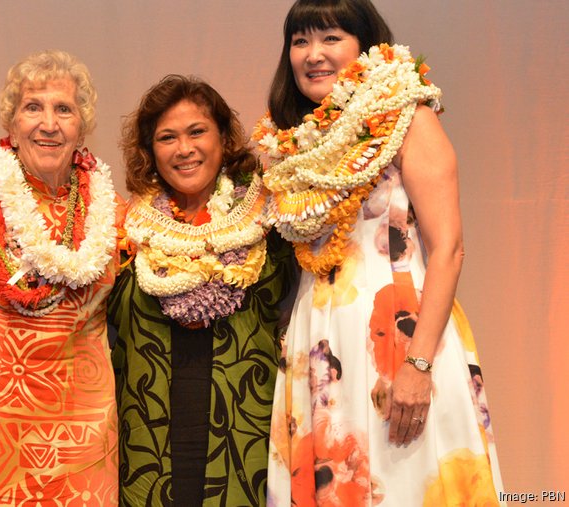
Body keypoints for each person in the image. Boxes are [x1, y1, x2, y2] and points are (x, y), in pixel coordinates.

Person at [252, 0, 503, 504]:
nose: (313, 54)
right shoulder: (290, 145)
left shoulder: (408, 119)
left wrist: (419, 365)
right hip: (318, 344)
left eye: (331, 38)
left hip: (399, 336)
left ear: (365, 47)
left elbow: (448, 248)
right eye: (300, 41)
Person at [108, 74, 296, 506]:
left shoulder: (271, 222)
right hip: (146, 451)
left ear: (224, 138)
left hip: (247, 446)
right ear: (150, 152)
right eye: (166, 137)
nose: (184, 148)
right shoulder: (124, 229)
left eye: (197, 131)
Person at [0, 50, 120, 505]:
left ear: (82, 126)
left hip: (88, 426)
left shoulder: (113, 213)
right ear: (12, 122)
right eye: (34, 107)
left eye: (64, 109)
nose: (48, 124)